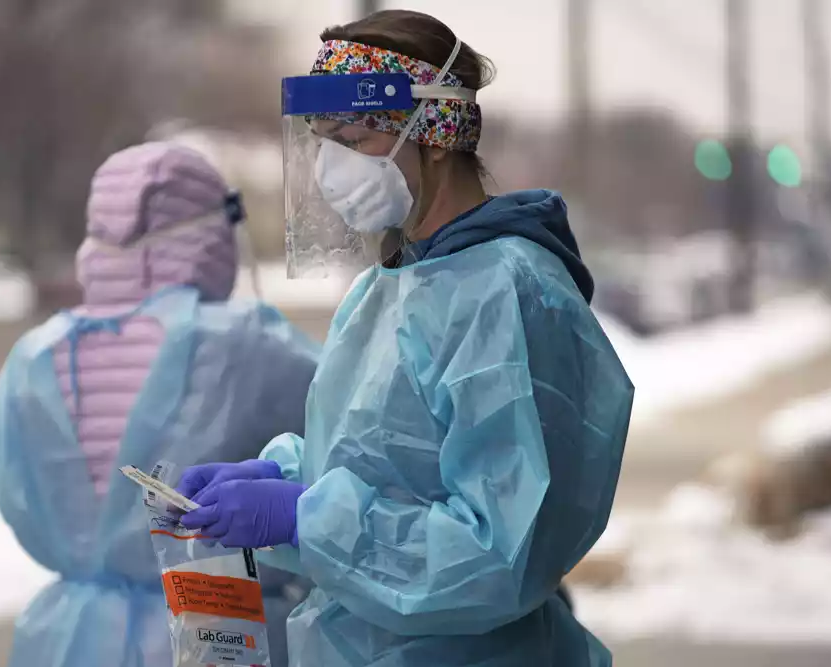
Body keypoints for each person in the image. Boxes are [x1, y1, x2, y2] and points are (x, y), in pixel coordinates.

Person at [176, 10, 633, 667]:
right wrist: (286, 477)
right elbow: (393, 458)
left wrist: (308, 516)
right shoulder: (389, 287)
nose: (332, 168)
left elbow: (497, 550)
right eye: (321, 138)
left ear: (436, 132)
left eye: (354, 138)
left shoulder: (505, 292)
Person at [0, 142, 319, 667]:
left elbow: (15, 493)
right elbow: (346, 450)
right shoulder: (248, 342)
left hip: (65, 641)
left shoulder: (33, 358)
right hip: (220, 632)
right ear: (214, 232)